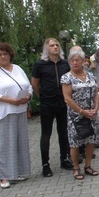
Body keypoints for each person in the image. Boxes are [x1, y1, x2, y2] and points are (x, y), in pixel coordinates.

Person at [0, 43, 32, 188]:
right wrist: (10, 100)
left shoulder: (17, 68)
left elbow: (28, 85)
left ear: (10, 54)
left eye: (5, 53)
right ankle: (4, 176)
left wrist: (28, 96)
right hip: (2, 113)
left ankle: (17, 172)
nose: (3, 56)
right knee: (3, 144)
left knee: (19, 143)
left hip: (19, 110)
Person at [31, 38, 73, 177]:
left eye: (57, 45)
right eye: (52, 45)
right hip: (47, 103)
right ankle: (45, 165)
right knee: (46, 134)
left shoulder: (65, 64)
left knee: (63, 132)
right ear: (46, 48)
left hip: (63, 102)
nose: (55, 47)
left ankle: (64, 159)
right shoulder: (40, 65)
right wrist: (42, 96)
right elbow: (35, 84)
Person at [61, 48, 99, 180]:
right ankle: (76, 168)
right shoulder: (67, 77)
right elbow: (67, 98)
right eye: (72, 60)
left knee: (91, 140)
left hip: (92, 114)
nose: (74, 62)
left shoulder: (90, 75)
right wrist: (82, 111)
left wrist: (95, 108)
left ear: (84, 61)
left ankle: (88, 166)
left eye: (77, 60)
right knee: (75, 142)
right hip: (76, 115)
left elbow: (95, 92)